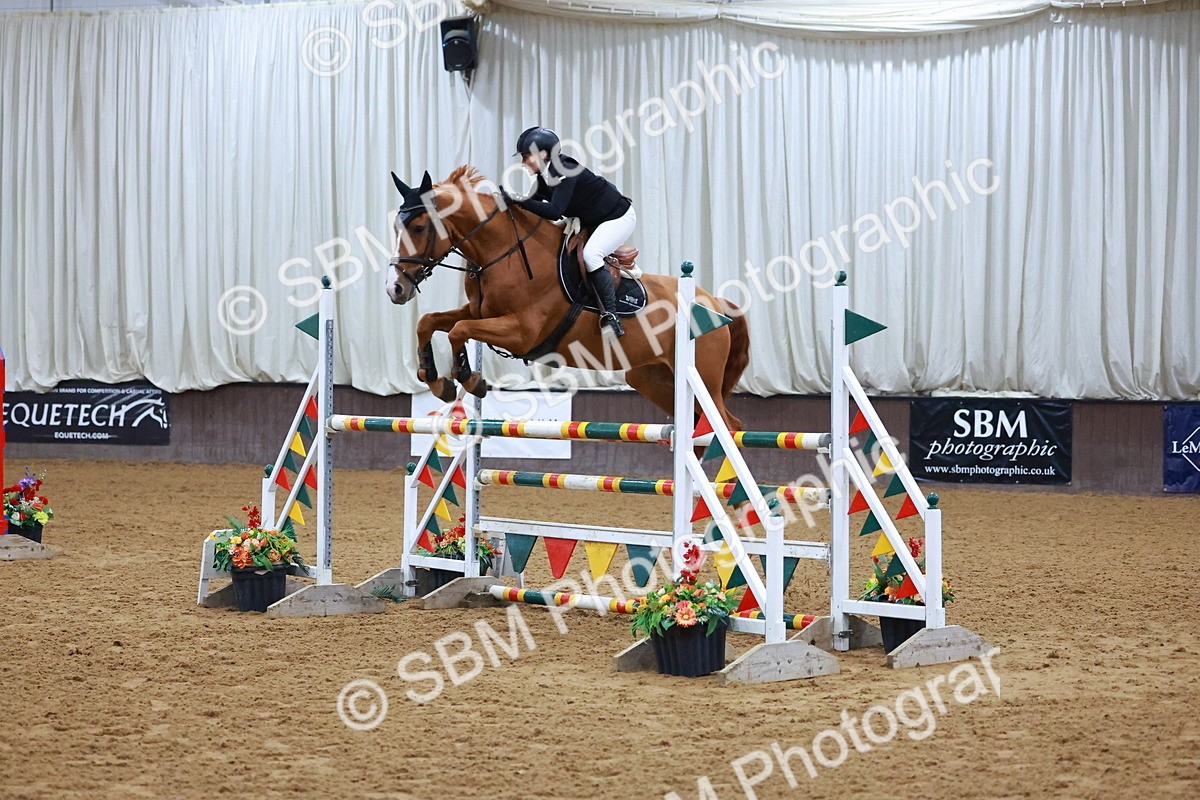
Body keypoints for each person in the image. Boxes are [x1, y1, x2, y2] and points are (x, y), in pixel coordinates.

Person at [509, 126, 635, 338]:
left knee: (591, 255)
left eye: (526, 157)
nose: (523, 163)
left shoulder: (565, 169)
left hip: (618, 217)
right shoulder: (544, 175)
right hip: (591, 219)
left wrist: (519, 201)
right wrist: (506, 203)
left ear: (543, 154)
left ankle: (611, 316)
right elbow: (532, 205)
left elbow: (554, 211)